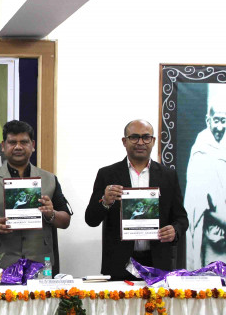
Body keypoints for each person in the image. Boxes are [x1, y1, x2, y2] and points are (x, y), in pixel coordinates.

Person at [85, 119, 188, 280]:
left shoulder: (168, 175)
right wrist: (105, 201)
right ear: (124, 141)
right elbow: (91, 219)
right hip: (119, 264)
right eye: (134, 137)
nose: (140, 142)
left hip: (158, 262)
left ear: (153, 141)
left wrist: (175, 230)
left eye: (146, 137)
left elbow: (182, 219)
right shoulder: (107, 174)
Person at [0, 120, 72, 271]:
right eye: (12, 142)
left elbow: (65, 220)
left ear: (33, 145)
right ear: (3, 146)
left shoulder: (49, 179)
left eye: (24, 142)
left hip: (40, 264)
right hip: (1, 264)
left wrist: (51, 214)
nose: (18, 147)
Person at [185, 87, 226, 270]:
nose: (220, 127)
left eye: (224, 121)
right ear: (208, 120)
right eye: (216, 120)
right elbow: (197, 202)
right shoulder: (201, 149)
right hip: (212, 233)